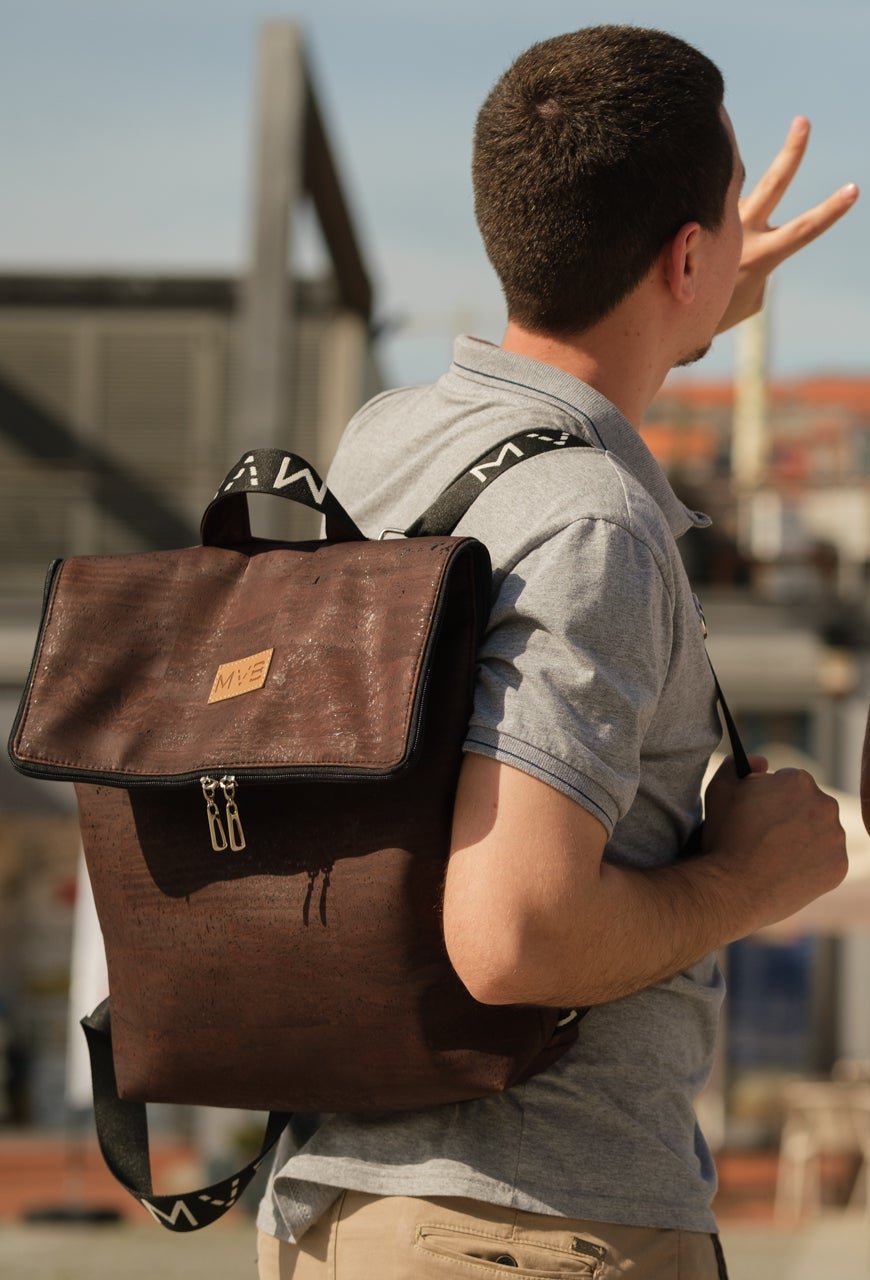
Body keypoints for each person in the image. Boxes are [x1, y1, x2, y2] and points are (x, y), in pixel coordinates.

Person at [257, 26, 856, 1279]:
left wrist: (685, 305)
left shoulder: (392, 441)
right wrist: (751, 882)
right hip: (529, 1225)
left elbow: (564, 392)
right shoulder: (594, 518)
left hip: (339, 1207)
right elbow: (514, 935)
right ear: (685, 254)